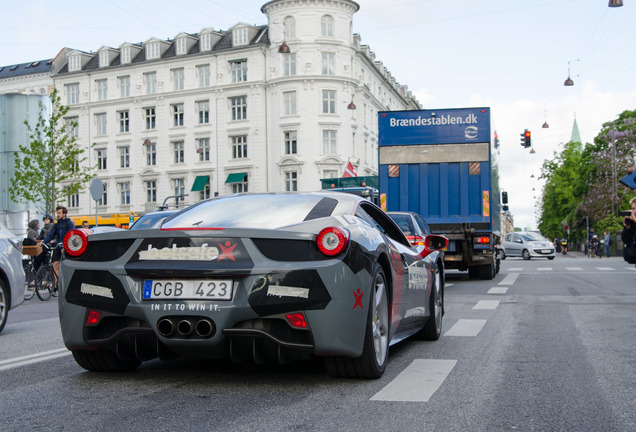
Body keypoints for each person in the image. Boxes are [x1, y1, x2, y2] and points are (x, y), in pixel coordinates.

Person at [42, 206, 76, 288]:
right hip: (58, 246)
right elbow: (50, 235)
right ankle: (56, 285)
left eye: (59, 213)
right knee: (55, 265)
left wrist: (65, 245)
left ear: (64, 214)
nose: (58, 214)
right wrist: (43, 242)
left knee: (66, 266)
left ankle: (67, 284)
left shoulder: (69, 223)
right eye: (57, 213)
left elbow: (71, 234)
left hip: (66, 247)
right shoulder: (56, 225)